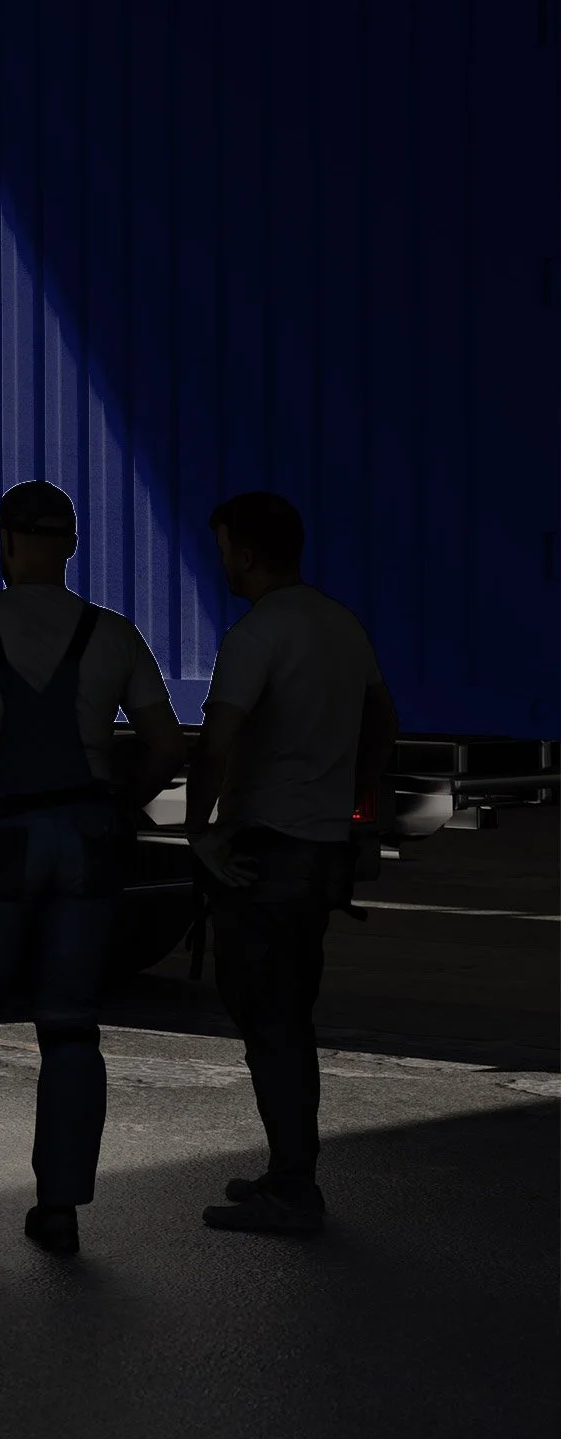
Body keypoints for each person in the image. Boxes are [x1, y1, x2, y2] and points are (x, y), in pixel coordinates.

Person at [0, 481, 185, 1259]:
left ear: (8, 542)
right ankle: (58, 1212)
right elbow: (166, 745)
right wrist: (120, 805)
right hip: (83, 845)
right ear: (72, 547)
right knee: (69, 1028)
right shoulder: (113, 635)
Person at [188, 491, 398, 1237]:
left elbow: (217, 738)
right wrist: (352, 794)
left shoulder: (257, 633)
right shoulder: (340, 624)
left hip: (265, 852)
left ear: (246, 554)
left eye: (223, 548)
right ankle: (287, 1169)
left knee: (267, 1018)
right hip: (317, 852)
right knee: (287, 1015)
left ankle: (293, 1188)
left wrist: (200, 831)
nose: (221, 561)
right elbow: (384, 720)